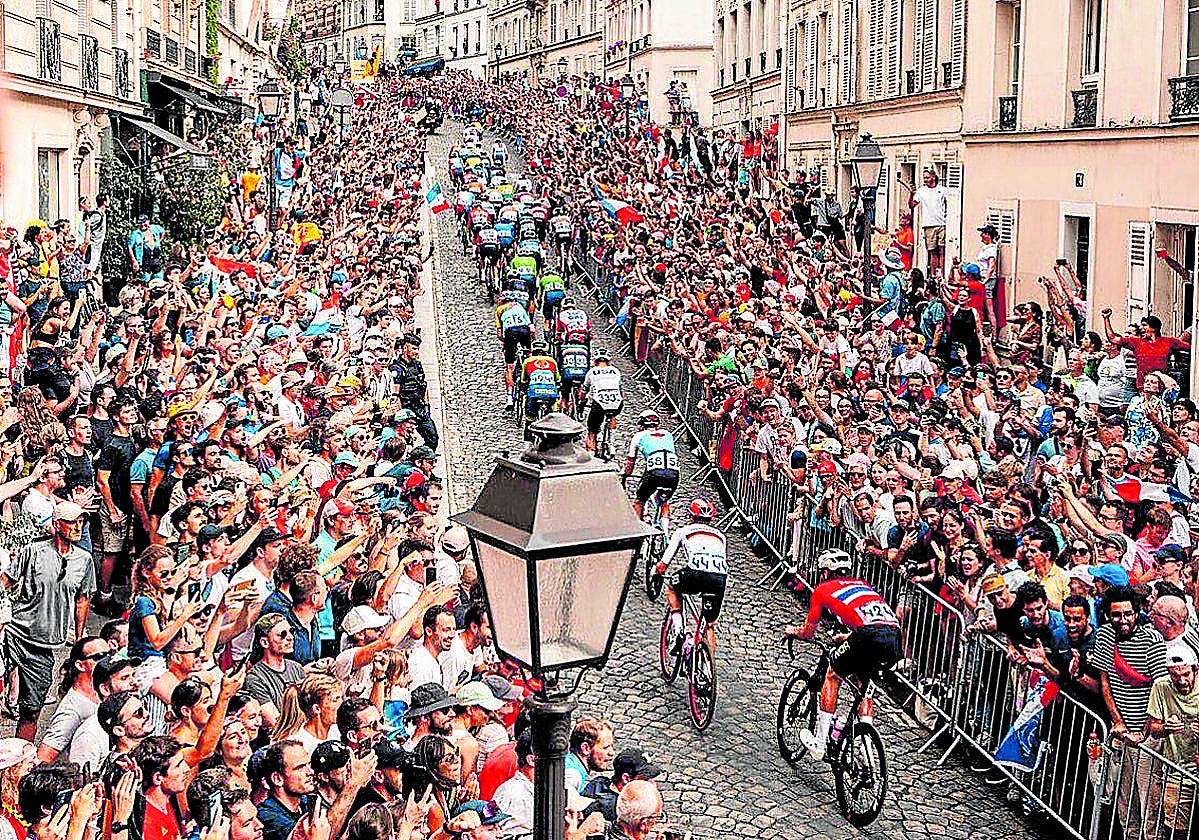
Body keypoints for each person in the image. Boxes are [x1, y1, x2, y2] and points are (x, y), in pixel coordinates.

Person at [784, 548, 901, 761]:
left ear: (826, 572)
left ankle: (820, 741)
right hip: (893, 635)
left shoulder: (822, 589)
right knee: (863, 687)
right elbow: (869, 619)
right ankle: (867, 752)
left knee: (832, 675)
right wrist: (848, 638)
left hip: (867, 635)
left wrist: (794, 631)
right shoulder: (863, 585)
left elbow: (809, 632)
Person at [3, 500, 95, 739]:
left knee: (32, 710)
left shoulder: (84, 560)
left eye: (81, 522)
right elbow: (6, 582)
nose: (78, 527)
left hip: (45, 645)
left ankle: (19, 764)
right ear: (57, 524)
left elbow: (82, 600)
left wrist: (80, 636)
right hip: (15, 633)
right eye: (72, 522)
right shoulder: (32, 552)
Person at [654, 498, 728, 661]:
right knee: (709, 625)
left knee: (673, 588)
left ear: (691, 516)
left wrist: (656, 572)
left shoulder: (683, 531)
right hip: (719, 579)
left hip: (695, 574)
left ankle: (679, 630)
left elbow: (663, 565)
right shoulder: (721, 537)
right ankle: (707, 666)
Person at [623, 409, 679, 525]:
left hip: (654, 472)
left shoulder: (638, 436)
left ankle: (637, 533)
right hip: (673, 473)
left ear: (641, 426)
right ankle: (665, 532)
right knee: (664, 501)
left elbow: (630, 464)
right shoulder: (668, 435)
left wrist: (625, 475)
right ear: (658, 425)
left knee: (640, 501)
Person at [905, 169, 947, 280]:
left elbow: (949, 205)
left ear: (933, 177)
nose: (925, 180)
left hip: (942, 223)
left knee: (942, 250)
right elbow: (912, 205)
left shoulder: (943, 190)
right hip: (929, 224)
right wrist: (911, 194)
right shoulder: (921, 191)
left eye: (927, 177)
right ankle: (933, 276)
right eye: (924, 178)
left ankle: (941, 275)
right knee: (932, 251)